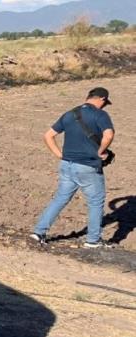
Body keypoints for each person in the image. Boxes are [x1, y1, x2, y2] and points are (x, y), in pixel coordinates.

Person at [31, 87, 115, 248]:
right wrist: (101, 151)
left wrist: (59, 155)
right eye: (105, 103)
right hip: (88, 166)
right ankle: (93, 241)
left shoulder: (70, 114)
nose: (104, 106)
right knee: (95, 202)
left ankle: (38, 232)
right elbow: (109, 134)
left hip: (67, 165)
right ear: (102, 99)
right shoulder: (100, 115)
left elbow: (48, 135)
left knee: (61, 198)